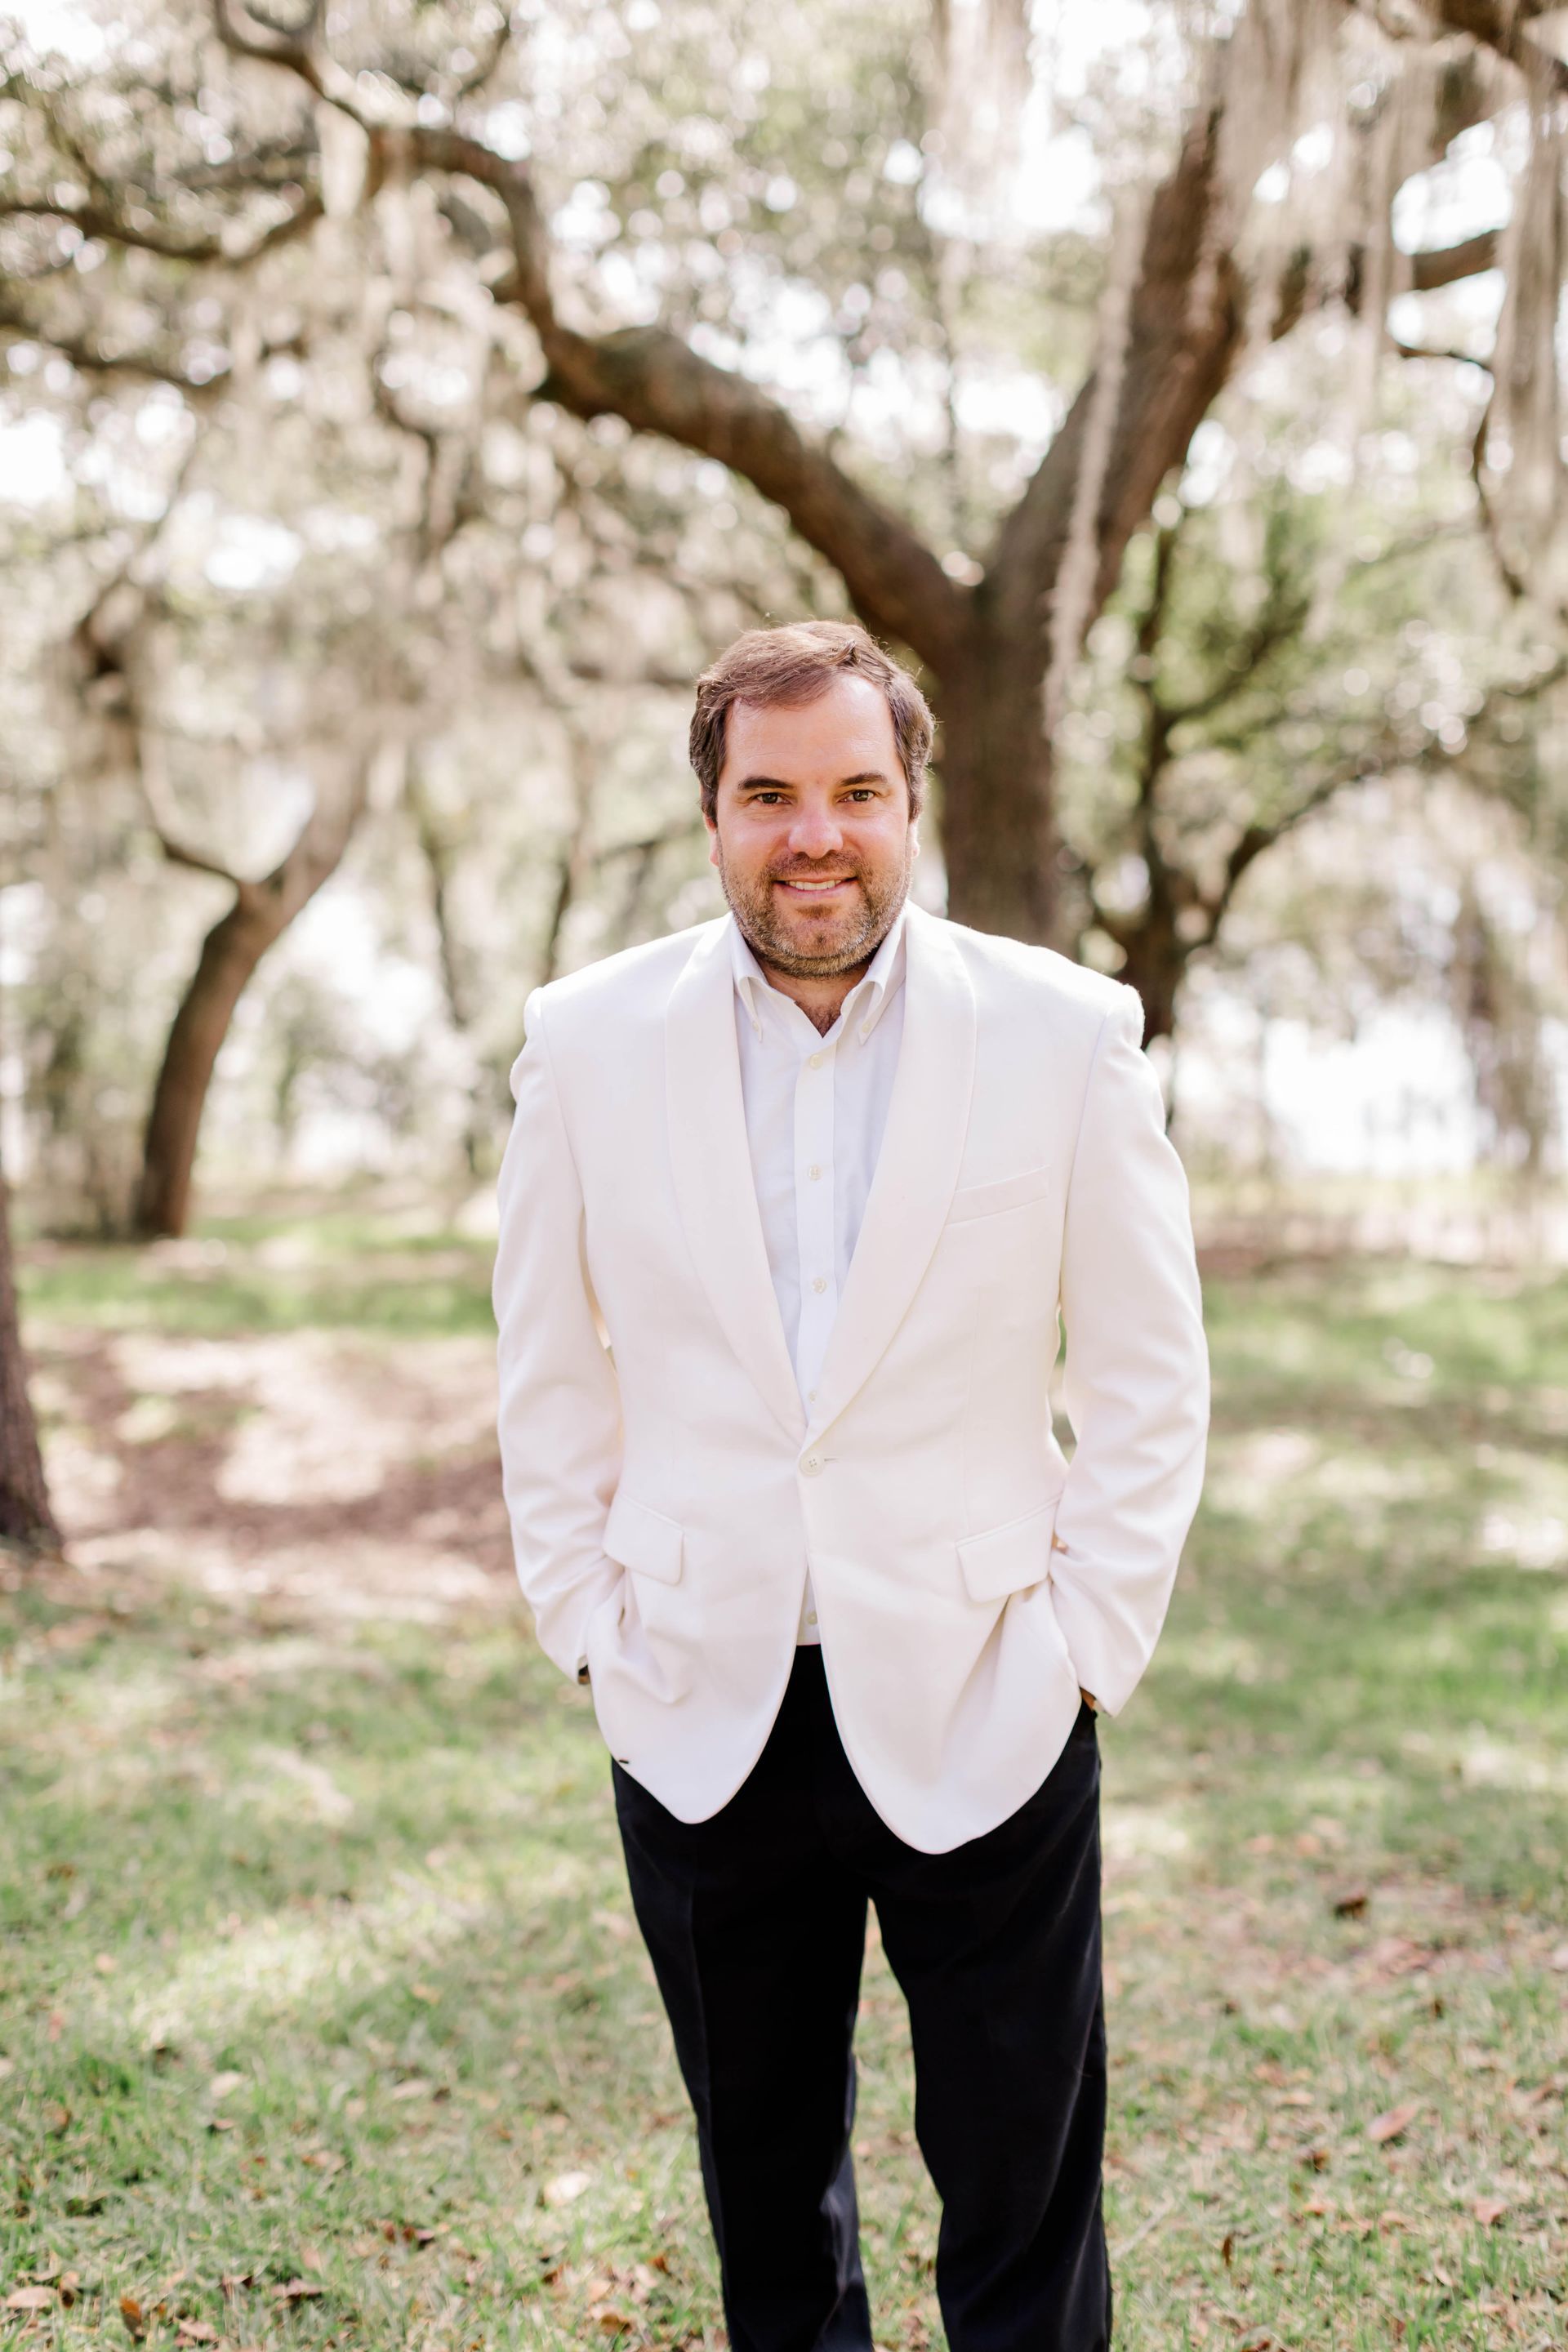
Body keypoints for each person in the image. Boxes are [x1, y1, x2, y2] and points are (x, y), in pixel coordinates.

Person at [492, 619, 1209, 2352]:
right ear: (716, 813)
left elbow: (1147, 1372)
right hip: (695, 1692)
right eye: (772, 794)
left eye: (857, 792)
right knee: (768, 2205)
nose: (817, 833)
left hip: (990, 1684)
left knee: (1024, 2189)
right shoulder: (584, 1046)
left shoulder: (1066, 1035)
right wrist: (592, 1624)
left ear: (911, 804)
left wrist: (1086, 1642)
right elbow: (544, 1369)